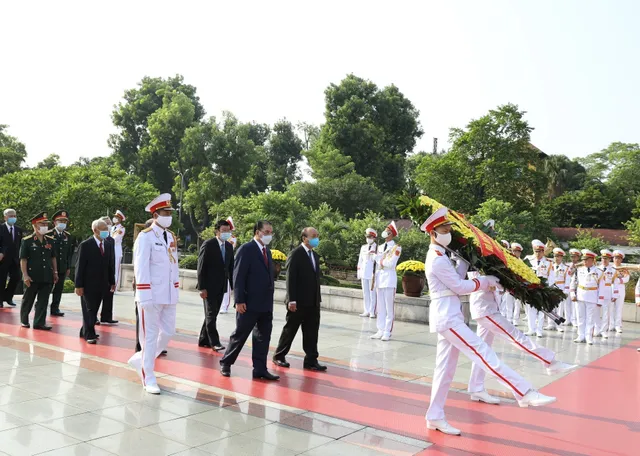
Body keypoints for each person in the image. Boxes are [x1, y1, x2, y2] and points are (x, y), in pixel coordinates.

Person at [422, 207, 555, 436]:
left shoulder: (442, 255)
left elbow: (459, 274)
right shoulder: (436, 259)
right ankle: (523, 392)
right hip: (448, 318)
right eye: (445, 229)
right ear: (433, 233)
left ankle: (434, 416)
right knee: (483, 353)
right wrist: (485, 281)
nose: (448, 233)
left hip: (449, 316)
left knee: (444, 370)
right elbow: (460, 286)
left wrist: (469, 254)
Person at [466, 270, 576, 404]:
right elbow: (479, 281)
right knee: (515, 337)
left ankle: (476, 388)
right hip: (485, 309)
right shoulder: (476, 260)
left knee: (482, 352)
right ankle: (549, 361)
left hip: (489, 308)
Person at [128, 193, 180, 394]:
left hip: (168, 294)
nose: (169, 216)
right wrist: (144, 294)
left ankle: (141, 359)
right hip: (150, 295)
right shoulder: (146, 236)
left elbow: (173, 266)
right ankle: (148, 376)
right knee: (149, 337)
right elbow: (140, 267)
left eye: (170, 212)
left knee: (167, 332)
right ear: (156, 214)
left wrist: (175, 290)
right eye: (166, 212)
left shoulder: (170, 236)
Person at [219, 220, 279, 381]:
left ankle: (260, 369)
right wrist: (239, 300)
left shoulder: (267, 251)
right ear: (257, 232)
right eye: (266, 232)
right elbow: (238, 276)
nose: (269, 235)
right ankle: (226, 362)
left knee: (263, 337)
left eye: (270, 232)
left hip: (265, 304)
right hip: (248, 303)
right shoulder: (246, 249)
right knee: (240, 335)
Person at [273, 227, 326, 371]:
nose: (316, 238)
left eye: (317, 235)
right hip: (298, 302)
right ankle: (279, 355)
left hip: (313, 301)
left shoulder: (315, 256)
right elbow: (291, 278)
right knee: (290, 330)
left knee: (312, 332)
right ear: (304, 238)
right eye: (313, 236)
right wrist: (291, 299)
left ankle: (311, 360)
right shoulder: (296, 254)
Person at [75, 219, 116, 344]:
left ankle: (84, 330)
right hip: (88, 284)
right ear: (95, 230)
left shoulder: (108, 245)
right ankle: (89, 334)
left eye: (106, 229)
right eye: (103, 229)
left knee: (94, 309)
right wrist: (78, 285)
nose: (106, 231)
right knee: (89, 310)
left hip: (103, 283)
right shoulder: (86, 245)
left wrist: (112, 281)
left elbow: (110, 265)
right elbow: (79, 266)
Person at [197, 219, 234, 352]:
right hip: (209, 286)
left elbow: (231, 268)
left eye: (228, 231)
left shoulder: (229, 247)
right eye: (223, 231)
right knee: (211, 315)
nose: (226, 233)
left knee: (212, 314)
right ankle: (215, 342)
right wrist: (202, 287)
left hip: (222, 286)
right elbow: (201, 267)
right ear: (217, 231)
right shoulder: (208, 244)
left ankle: (203, 339)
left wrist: (234, 286)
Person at [19, 212, 58, 330]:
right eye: (42, 224)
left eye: (46, 224)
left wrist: (55, 272)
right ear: (35, 225)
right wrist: (25, 275)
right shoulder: (27, 241)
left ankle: (39, 322)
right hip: (32, 275)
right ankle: (24, 320)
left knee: (43, 301)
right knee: (28, 299)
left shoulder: (50, 240)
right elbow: (23, 259)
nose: (45, 226)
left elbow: (53, 257)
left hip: (47, 275)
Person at [370, 221, 402, 341]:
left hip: (389, 278)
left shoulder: (396, 247)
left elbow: (390, 263)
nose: (384, 232)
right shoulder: (380, 247)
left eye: (386, 230)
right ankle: (380, 329)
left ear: (391, 233)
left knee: (389, 307)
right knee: (380, 307)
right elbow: (379, 263)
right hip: (380, 278)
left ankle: (387, 331)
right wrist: (378, 260)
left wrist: (378, 259)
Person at [570, 250, 606, 344]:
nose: (585, 262)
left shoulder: (599, 272)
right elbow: (573, 283)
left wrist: (600, 300)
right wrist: (573, 294)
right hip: (580, 295)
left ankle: (588, 336)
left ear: (592, 260)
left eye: (587, 260)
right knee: (580, 317)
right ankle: (580, 335)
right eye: (584, 260)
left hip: (592, 296)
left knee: (590, 318)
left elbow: (602, 287)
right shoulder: (579, 270)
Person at [526, 240, 555, 338]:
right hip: (531, 288)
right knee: (530, 310)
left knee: (542, 311)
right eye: (536, 251)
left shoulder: (548, 263)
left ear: (543, 251)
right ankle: (531, 329)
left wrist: (548, 289)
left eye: (540, 251)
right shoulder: (528, 260)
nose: (538, 253)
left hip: (542, 289)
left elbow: (551, 277)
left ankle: (539, 330)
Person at [134, 219, 155, 353]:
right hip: (144, 284)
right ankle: (140, 345)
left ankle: (155, 344)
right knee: (141, 317)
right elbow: (139, 263)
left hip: (157, 286)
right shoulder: (143, 239)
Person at [48, 210, 73, 317]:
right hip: (49, 267)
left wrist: (68, 267)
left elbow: (69, 253)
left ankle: (55, 308)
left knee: (59, 289)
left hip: (62, 266)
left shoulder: (67, 236)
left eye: (65, 221)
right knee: (47, 288)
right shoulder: (48, 235)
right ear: (54, 222)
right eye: (60, 221)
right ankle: (40, 305)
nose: (63, 223)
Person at [0, 208, 23, 307]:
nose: (13, 218)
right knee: (1, 279)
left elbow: (20, 244)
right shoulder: (1, 228)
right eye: (10, 216)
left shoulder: (18, 230)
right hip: (3, 258)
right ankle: (0, 300)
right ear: (5, 217)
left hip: (15, 259)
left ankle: (8, 297)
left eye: (14, 216)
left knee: (16, 277)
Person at [97, 216, 118, 326]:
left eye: (109, 223)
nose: (109, 225)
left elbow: (112, 258)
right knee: (96, 298)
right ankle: (94, 317)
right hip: (97, 273)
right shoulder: (94, 239)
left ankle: (107, 316)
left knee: (109, 294)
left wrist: (112, 275)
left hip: (108, 271)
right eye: (106, 223)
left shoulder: (111, 240)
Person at [545, 248, 569, 333]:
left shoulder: (566, 268)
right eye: (555, 256)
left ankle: (559, 325)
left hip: (560, 288)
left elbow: (567, 280)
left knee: (559, 308)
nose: (557, 258)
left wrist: (566, 291)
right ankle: (550, 324)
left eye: (559, 256)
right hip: (551, 288)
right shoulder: (550, 266)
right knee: (550, 306)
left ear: (562, 257)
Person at [357, 228, 378, 318]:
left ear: (374, 238)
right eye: (367, 237)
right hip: (364, 273)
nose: (368, 238)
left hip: (372, 273)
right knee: (365, 293)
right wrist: (359, 272)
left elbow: (377, 261)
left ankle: (372, 311)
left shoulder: (377, 247)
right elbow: (360, 261)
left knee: (372, 293)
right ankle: (366, 310)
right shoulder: (363, 247)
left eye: (370, 237)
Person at [502, 242, 524, 326]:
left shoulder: (522, 262)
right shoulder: (508, 260)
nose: (515, 253)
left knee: (517, 303)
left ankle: (515, 320)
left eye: (517, 251)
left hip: (518, 285)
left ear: (520, 252)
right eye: (513, 251)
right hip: (510, 284)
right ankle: (509, 318)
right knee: (508, 302)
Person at [219, 216, 237, 314]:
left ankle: (225, 306)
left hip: (227, 266)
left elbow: (230, 249)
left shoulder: (232, 239)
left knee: (227, 290)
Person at [597, 249, 615, 338]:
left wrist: (615, 294)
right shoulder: (596, 269)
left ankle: (603, 330)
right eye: (603, 258)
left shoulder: (613, 270)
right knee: (596, 312)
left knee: (605, 312)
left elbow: (615, 283)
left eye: (606, 258)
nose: (604, 260)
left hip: (607, 292)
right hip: (597, 293)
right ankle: (597, 329)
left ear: (609, 259)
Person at [611, 250, 630, 333]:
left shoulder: (624, 269)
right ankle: (610, 324)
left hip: (620, 288)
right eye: (616, 258)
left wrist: (618, 280)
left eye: (619, 258)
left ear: (621, 259)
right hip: (611, 288)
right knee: (610, 307)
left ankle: (617, 325)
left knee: (619, 307)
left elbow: (627, 278)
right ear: (613, 259)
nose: (617, 260)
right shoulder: (610, 268)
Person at [565, 248, 582, 327]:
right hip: (567, 285)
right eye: (572, 257)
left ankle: (574, 320)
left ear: (578, 257)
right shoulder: (567, 265)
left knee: (574, 304)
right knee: (566, 303)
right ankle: (567, 319)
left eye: (575, 257)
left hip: (576, 286)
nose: (573, 258)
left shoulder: (581, 265)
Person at [111, 209, 126, 292]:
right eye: (114, 217)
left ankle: (114, 288)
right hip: (110, 249)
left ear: (120, 219)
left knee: (116, 269)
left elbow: (115, 239)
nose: (115, 218)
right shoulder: (112, 228)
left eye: (116, 217)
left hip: (116, 249)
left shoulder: (121, 229)